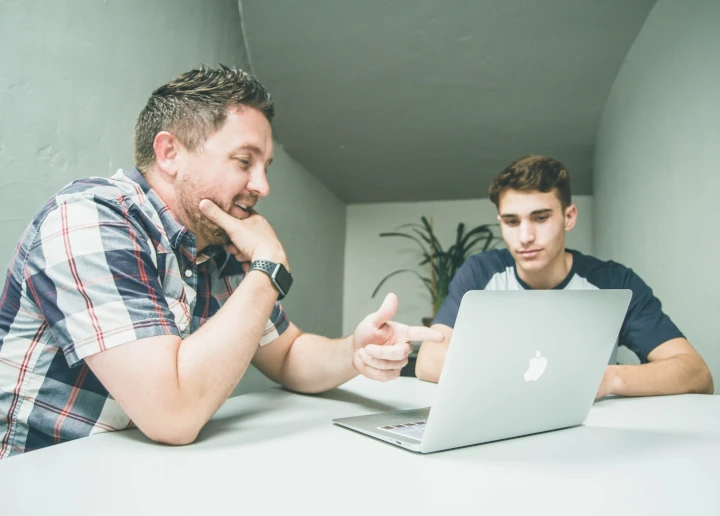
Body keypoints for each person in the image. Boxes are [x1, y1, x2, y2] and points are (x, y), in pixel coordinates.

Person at [0, 65, 443, 458]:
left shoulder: (214, 243)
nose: (262, 185)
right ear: (169, 152)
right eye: (244, 161)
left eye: (265, 166)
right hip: (40, 477)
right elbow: (171, 415)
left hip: (139, 470)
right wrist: (267, 267)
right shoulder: (89, 219)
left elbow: (287, 353)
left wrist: (354, 351)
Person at [415, 155, 713, 398]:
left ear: (568, 217)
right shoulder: (481, 272)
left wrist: (606, 379)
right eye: (511, 221)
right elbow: (428, 361)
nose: (526, 236)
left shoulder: (613, 282)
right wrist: (532, 375)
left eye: (541, 218)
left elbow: (696, 372)